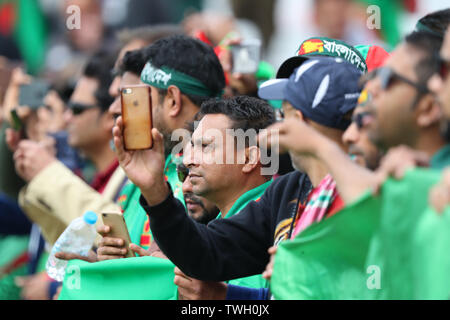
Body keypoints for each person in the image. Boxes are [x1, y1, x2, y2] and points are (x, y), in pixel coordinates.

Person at [111, 56, 362, 286]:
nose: (281, 123)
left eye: (284, 112)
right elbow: (207, 253)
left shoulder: (371, 193)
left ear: (300, 119)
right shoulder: (287, 190)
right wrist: (155, 192)